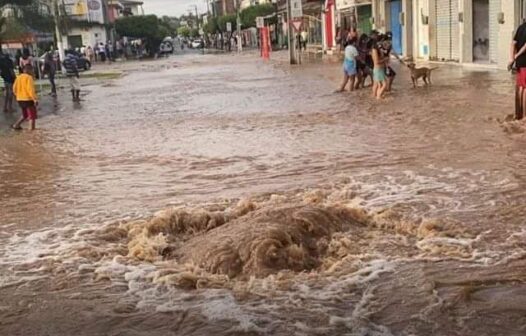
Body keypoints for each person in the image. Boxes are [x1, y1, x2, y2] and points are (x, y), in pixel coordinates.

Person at [12, 64, 38, 131]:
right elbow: (30, 89)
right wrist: (34, 99)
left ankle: (16, 125)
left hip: (20, 99)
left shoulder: (18, 77)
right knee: (32, 116)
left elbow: (14, 88)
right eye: (32, 70)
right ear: (29, 70)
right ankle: (32, 131)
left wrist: (17, 95)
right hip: (28, 99)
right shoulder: (29, 77)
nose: (32, 71)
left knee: (25, 114)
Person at [510, 20, 526, 120]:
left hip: (519, 63)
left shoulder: (520, 27)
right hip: (525, 61)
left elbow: (512, 43)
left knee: (520, 87)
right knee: (525, 89)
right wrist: (517, 55)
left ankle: (518, 114)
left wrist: (512, 59)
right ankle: (524, 116)